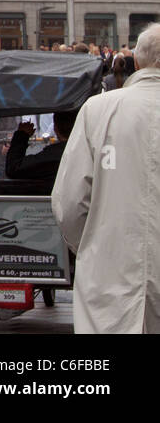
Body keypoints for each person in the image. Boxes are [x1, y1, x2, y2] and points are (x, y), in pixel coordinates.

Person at [53, 21, 160, 332]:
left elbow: (69, 202)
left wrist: (91, 246)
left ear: (136, 62)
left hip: (110, 275)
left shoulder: (98, 110)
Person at [6, 111, 77, 180]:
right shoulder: (83, 153)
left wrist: (22, 135)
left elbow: (14, 168)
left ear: (55, 128)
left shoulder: (51, 158)